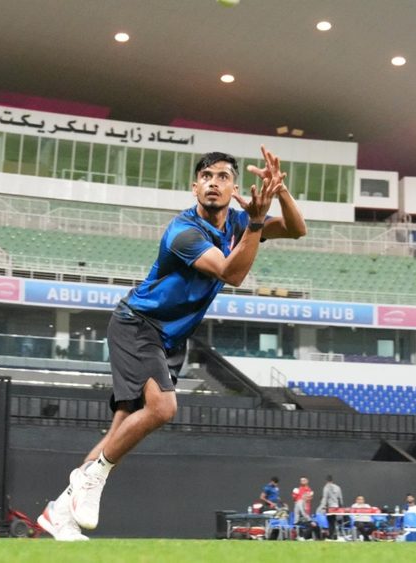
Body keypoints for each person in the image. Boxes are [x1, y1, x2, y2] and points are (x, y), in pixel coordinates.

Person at [37, 148, 306, 540]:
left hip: (169, 339)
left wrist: (280, 192)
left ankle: (59, 512)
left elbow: (297, 229)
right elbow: (231, 273)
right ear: (195, 186)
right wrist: (256, 223)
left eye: (223, 176)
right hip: (138, 324)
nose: (213, 182)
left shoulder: (237, 222)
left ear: (234, 187)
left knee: (119, 434)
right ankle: (89, 477)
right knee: (163, 407)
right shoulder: (184, 231)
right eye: (206, 176)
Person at [318, 475, 343, 539]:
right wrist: (341, 507)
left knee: (330, 521)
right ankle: (333, 534)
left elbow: (325, 497)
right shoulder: (338, 487)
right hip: (336, 507)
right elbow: (340, 498)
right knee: (334, 521)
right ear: (332, 480)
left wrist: (323, 506)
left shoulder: (326, 487)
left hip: (330, 507)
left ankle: (331, 535)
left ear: (326, 480)